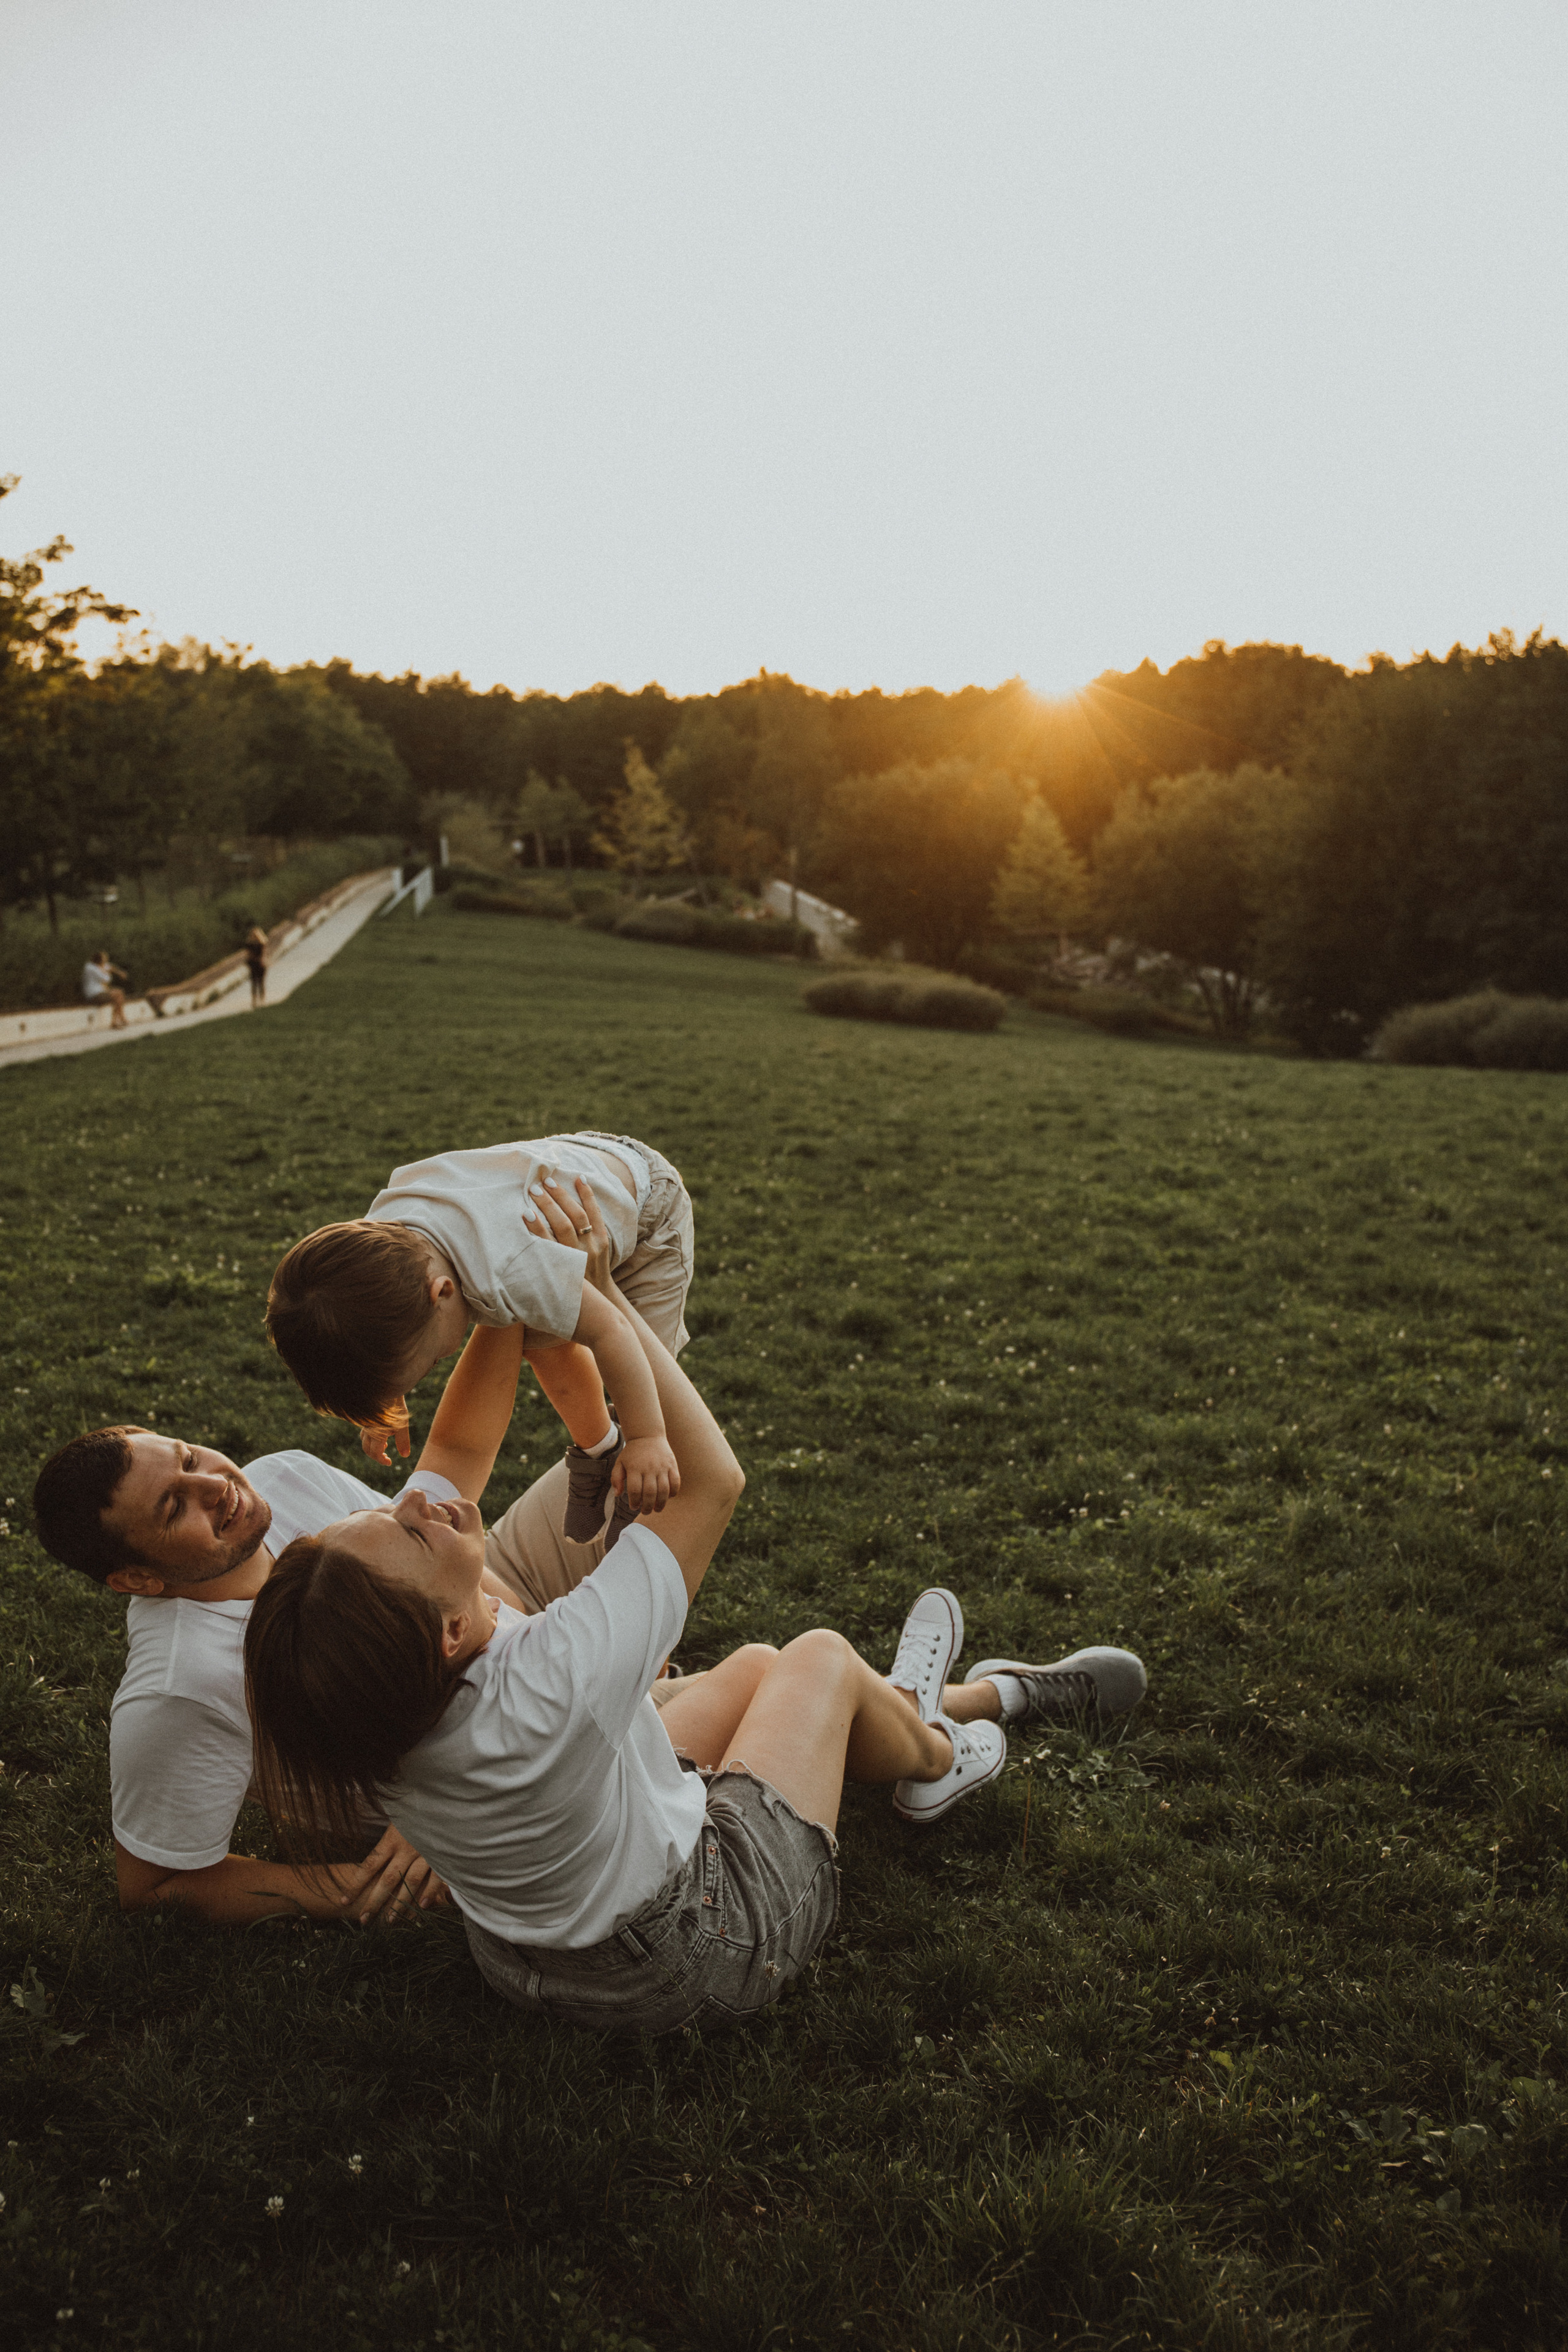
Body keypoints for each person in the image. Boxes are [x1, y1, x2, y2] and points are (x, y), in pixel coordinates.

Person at [244, 1188, 1148, 2035]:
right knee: (821, 1658)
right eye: (406, 1529)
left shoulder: (378, 1687)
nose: (417, 1501)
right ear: (446, 1631)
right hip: (687, 1953)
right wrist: (598, 1299)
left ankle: (951, 1699)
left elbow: (457, 1447)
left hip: (524, 1953)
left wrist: (506, 1285)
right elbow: (711, 1481)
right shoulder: (551, 1674)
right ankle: (940, 1756)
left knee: (758, 1668)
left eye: (385, 1504)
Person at [30, 1324, 538, 1928]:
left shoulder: (283, 1476)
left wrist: (549, 1630)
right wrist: (367, 1877)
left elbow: (450, 1560)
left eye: (191, 1458)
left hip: (511, 1640)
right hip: (502, 1762)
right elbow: (152, 1884)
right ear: (137, 1579)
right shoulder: (181, 1684)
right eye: (174, 1505)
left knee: (627, 1478)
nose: (215, 1486)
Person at [265, 1133, 693, 1552]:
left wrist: (647, 1438)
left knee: (645, 1368)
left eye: (432, 1361)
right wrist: (383, 1393)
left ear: (443, 1293)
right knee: (545, 1347)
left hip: (647, 1206)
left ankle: (635, 1462)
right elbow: (358, 1318)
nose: (433, 1365)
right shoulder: (380, 1244)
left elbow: (611, 1331)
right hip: (554, 1186)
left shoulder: (512, 1270)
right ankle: (600, 1452)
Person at [81, 947, 129, 1030]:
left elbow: (111, 967)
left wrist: (120, 973)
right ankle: (117, 1020)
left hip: (100, 993)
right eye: (104, 960)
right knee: (118, 994)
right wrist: (107, 972)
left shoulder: (97, 966)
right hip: (94, 995)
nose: (106, 961)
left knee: (119, 994)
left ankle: (118, 1019)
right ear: (99, 961)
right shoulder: (91, 968)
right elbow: (106, 979)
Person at [244, 925, 268, 1008]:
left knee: (260, 983)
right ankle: (254, 1001)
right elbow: (248, 954)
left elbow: (263, 954)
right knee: (254, 984)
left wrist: (263, 961)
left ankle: (262, 1000)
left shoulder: (261, 944)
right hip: (253, 965)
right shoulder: (249, 944)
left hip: (259, 964)